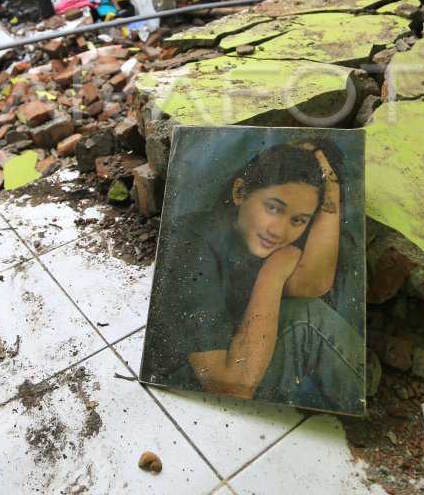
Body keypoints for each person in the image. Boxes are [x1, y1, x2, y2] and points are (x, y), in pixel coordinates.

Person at [145, 142, 364, 412]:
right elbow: (228, 386)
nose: (279, 231)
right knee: (308, 319)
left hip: (233, 361)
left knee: (307, 309)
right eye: (273, 208)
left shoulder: (252, 236)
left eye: (298, 220)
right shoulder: (192, 242)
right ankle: (372, 398)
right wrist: (272, 276)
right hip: (185, 386)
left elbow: (313, 282)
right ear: (240, 192)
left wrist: (330, 187)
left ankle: (366, 390)